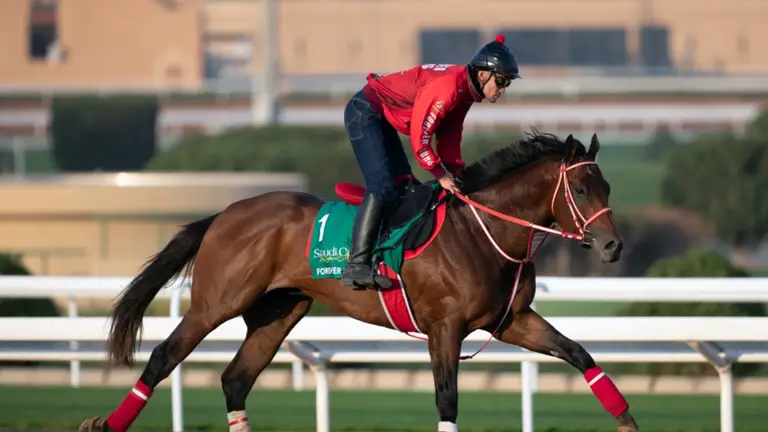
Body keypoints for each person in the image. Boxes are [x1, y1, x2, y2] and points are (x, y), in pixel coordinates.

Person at [340, 34, 521, 290]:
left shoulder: (465, 93)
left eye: (507, 83)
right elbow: (420, 139)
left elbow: (449, 138)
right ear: (482, 74)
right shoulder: (449, 88)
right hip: (365, 112)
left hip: (381, 117)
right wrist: (440, 174)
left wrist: (460, 175)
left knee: (405, 186)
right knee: (382, 187)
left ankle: (386, 253)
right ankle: (356, 265)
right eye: (501, 81)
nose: (502, 89)